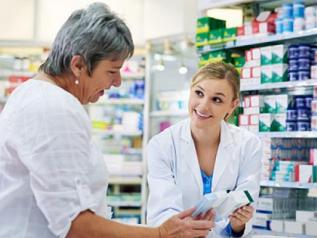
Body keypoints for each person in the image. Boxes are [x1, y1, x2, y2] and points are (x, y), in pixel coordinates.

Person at [0, 3, 214, 238]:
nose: (118, 82)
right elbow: (75, 226)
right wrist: (160, 234)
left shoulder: (37, 95)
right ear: (78, 65)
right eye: (112, 71)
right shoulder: (52, 107)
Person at [146, 61, 263, 237]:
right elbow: (162, 210)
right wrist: (186, 229)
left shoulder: (248, 145)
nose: (203, 106)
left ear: (232, 105)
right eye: (199, 93)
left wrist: (238, 224)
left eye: (217, 99)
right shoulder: (162, 145)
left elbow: (246, 202)